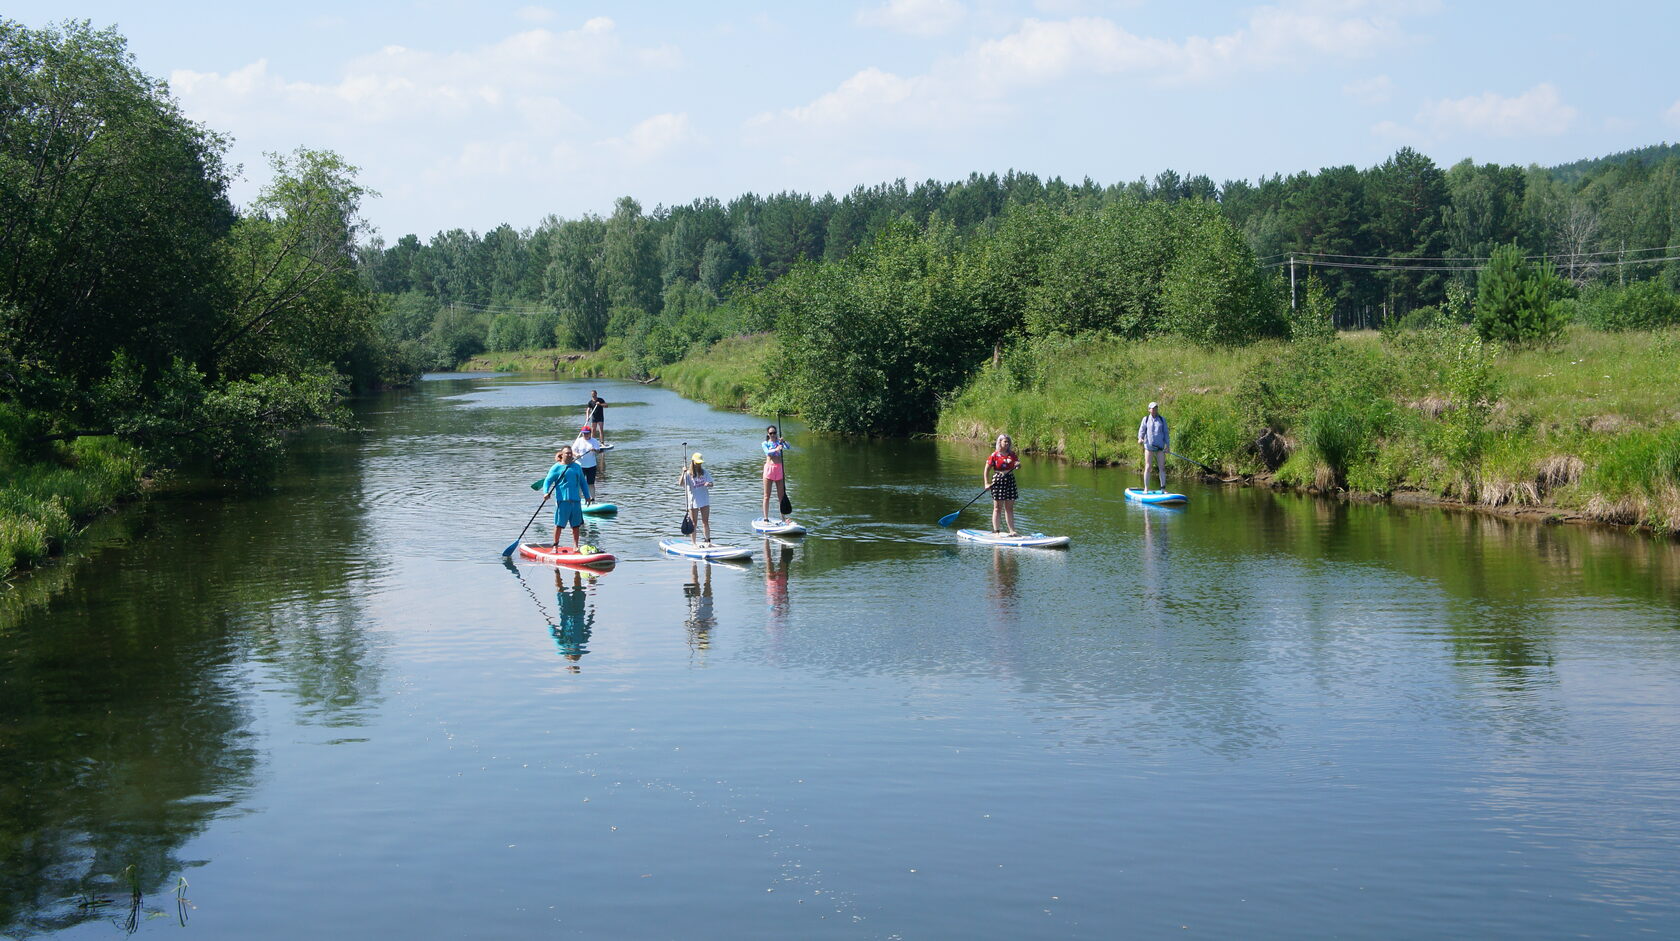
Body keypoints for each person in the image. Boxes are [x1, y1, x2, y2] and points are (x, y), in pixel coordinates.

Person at [540, 445, 592, 548]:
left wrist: (587, 496)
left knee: (576, 525)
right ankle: (555, 545)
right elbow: (547, 481)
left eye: (570, 453)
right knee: (559, 525)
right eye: (567, 453)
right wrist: (546, 492)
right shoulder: (556, 467)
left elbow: (583, 482)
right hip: (562, 501)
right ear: (562, 455)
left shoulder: (576, 467)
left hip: (576, 501)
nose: (569, 455)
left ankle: (575, 546)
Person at [985, 433, 1020, 536]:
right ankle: (996, 531)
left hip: (1010, 480)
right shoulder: (994, 455)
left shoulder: (1012, 454)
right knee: (997, 508)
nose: (1007, 443)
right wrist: (986, 483)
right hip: (998, 480)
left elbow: (1017, 465)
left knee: (1009, 508)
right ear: (999, 442)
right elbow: (986, 469)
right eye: (1005, 441)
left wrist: (1018, 465)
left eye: (1008, 441)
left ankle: (1012, 531)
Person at [679, 452, 714, 546]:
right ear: (693, 462)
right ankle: (694, 543)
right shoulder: (687, 474)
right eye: (697, 463)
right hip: (693, 501)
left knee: (705, 522)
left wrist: (708, 484)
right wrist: (683, 473)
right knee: (694, 523)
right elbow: (681, 484)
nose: (699, 465)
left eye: (700, 463)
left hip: (704, 500)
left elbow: (711, 484)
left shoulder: (704, 472)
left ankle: (708, 542)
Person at [760, 424, 791, 523]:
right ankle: (765, 518)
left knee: (781, 496)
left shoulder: (779, 443)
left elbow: (788, 447)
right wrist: (777, 449)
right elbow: (768, 452)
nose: (773, 435)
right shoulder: (765, 443)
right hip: (769, 470)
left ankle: (783, 518)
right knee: (766, 495)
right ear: (768, 434)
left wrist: (783, 441)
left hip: (779, 469)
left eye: (774, 433)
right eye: (771, 433)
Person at [1137, 401, 1169, 492]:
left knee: (1162, 467)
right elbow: (1142, 431)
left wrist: (1168, 446)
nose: (1154, 410)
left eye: (1156, 408)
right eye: (1152, 408)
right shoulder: (1146, 419)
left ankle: (1163, 489)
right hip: (1149, 447)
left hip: (1160, 447)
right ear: (1149, 410)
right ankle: (1146, 488)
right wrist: (1140, 438)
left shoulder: (1162, 420)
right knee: (1148, 467)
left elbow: (1166, 433)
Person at [571, 425, 602, 496]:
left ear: (590, 433)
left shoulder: (594, 441)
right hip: (580, 466)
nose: (585, 435)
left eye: (587, 433)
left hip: (591, 466)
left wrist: (594, 450)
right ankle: (578, 499)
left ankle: (592, 499)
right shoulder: (578, 441)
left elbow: (598, 451)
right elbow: (572, 451)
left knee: (591, 483)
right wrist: (576, 454)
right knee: (580, 483)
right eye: (584, 433)